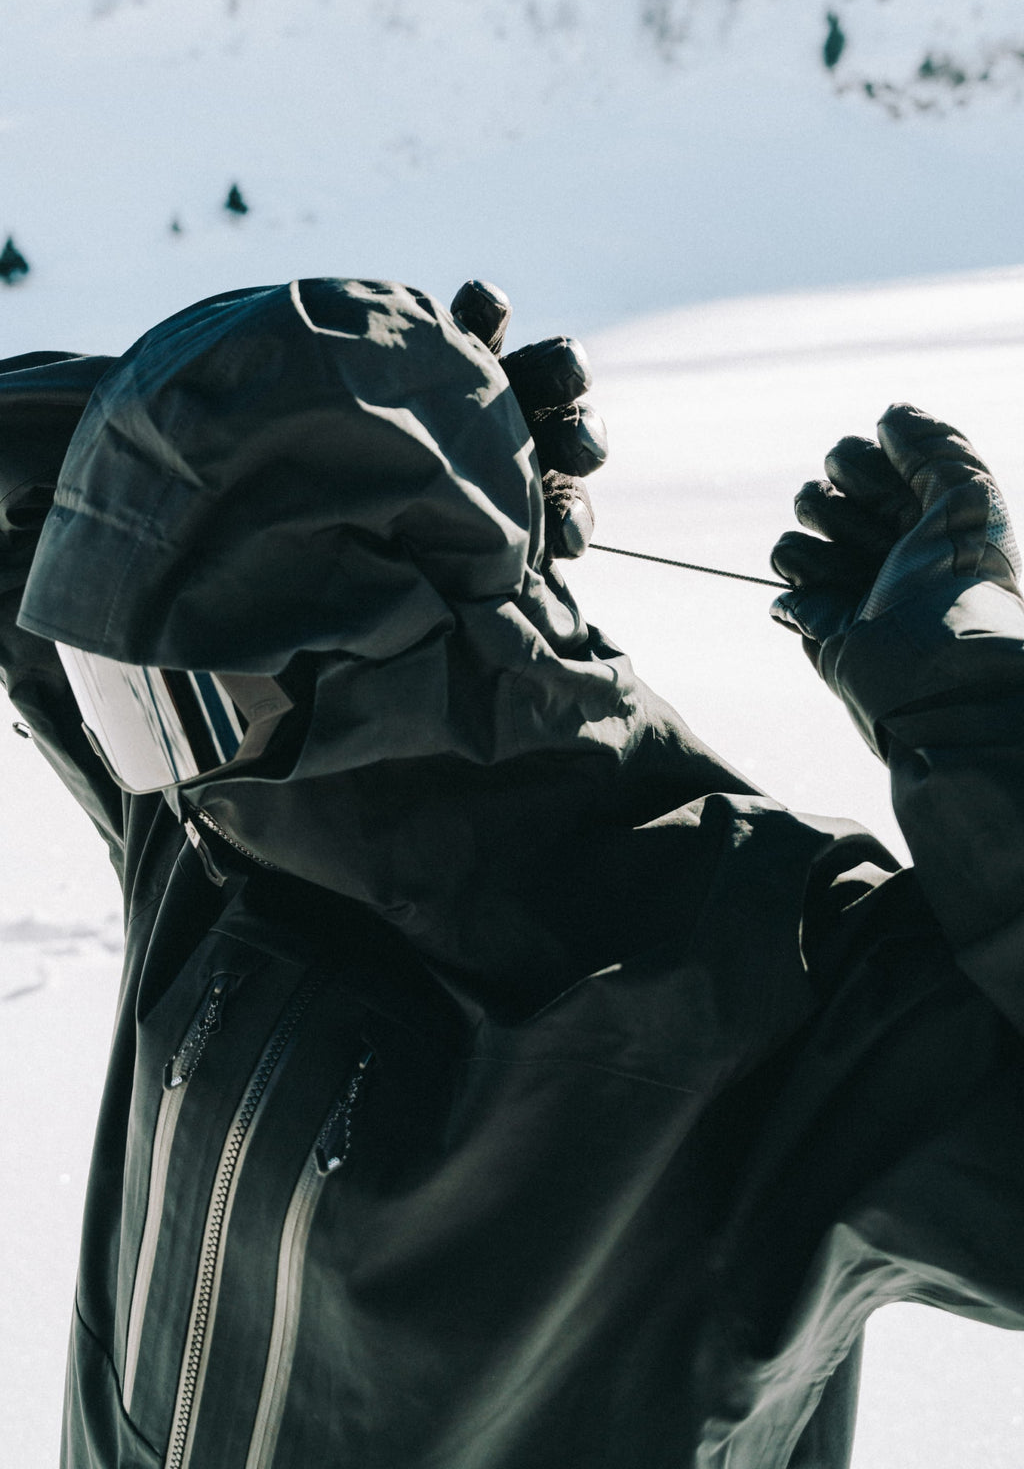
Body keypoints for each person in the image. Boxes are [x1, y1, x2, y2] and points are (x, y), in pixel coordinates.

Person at [1, 275, 1023, 1469]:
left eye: (175, 703)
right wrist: (281, 427)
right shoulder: (221, 817)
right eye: (110, 692)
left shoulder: (771, 988)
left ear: (382, 651)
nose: (152, 770)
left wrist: (976, 711)